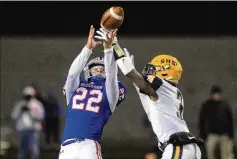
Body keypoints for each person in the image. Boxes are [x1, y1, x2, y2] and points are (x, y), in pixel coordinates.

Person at [107, 42, 203, 158]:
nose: (150, 72)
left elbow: (131, 74)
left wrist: (113, 45)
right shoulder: (165, 94)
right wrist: (129, 68)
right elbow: (141, 90)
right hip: (182, 146)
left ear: (165, 70)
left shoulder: (164, 87)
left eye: (154, 69)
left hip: (178, 145)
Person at [58, 26, 126, 159]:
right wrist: (88, 49)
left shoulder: (110, 91)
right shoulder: (76, 86)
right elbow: (72, 74)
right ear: (88, 71)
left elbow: (112, 75)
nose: (100, 71)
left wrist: (108, 50)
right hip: (67, 146)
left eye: (102, 69)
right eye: (96, 69)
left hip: (89, 145)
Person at [199, 85, 234, 159]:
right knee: (210, 153)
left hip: (224, 134)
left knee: (226, 154)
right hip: (212, 134)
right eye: (216, 94)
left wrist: (231, 134)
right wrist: (203, 135)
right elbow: (202, 120)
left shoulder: (225, 105)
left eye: (219, 94)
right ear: (212, 95)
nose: (217, 96)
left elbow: (230, 119)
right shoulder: (207, 105)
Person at [11, 85, 44, 159]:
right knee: (22, 150)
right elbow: (14, 116)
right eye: (26, 96)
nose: (27, 97)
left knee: (33, 151)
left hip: (33, 131)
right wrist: (20, 110)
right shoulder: (19, 104)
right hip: (23, 130)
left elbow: (41, 116)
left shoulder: (37, 105)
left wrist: (31, 112)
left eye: (29, 96)